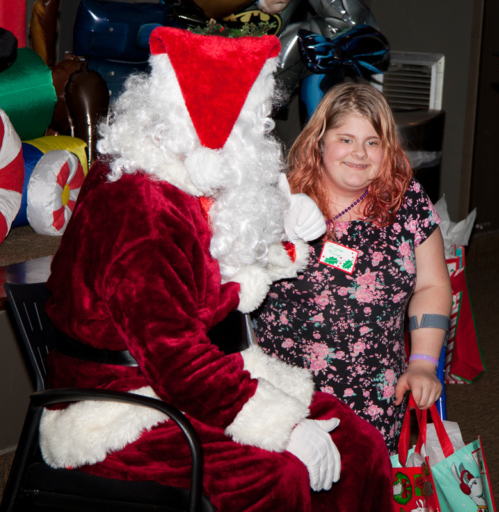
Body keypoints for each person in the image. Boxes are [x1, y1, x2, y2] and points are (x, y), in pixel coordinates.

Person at [40, 26, 395, 512]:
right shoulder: (140, 206)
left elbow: (217, 282)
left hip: (206, 374)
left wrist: (284, 245)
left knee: (361, 448)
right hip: (122, 406)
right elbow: (174, 357)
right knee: (279, 475)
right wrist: (283, 424)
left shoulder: (194, 180)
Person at [253, 83, 453, 455]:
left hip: (376, 393)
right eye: (345, 139)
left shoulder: (406, 201)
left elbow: (431, 287)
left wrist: (424, 362)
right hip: (288, 395)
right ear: (319, 142)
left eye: (373, 142)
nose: (359, 153)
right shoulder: (278, 201)